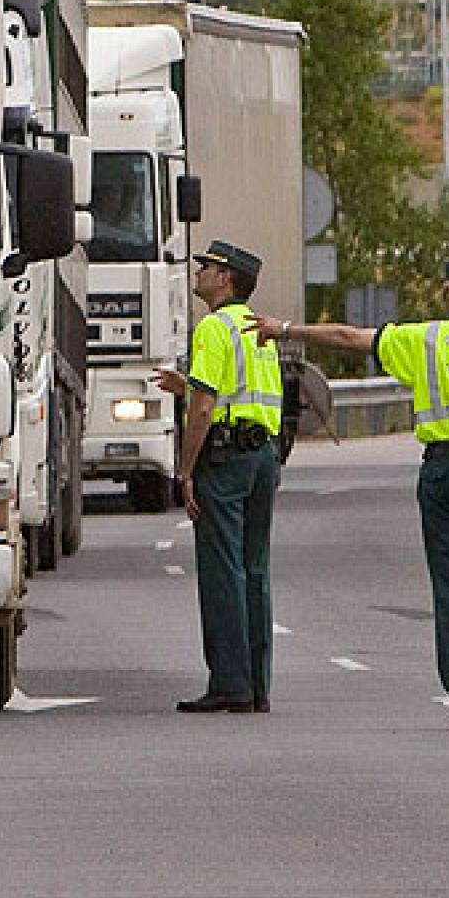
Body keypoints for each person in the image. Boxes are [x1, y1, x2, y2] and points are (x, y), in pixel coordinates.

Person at [249, 258, 449, 730]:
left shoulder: (425, 338)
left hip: (444, 474)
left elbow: (350, 338)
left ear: (447, 294)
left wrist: (286, 328)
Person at [152, 240, 283, 714]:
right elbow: (237, 394)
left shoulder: (213, 328)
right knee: (254, 570)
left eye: (206, 267)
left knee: (222, 570)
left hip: (225, 461)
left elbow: (206, 407)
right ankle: (256, 685)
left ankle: (230, 681)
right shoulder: (257, 328)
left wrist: (186, 471)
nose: (199, 272)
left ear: (224, 278)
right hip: (261, 457)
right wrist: (185, 385)